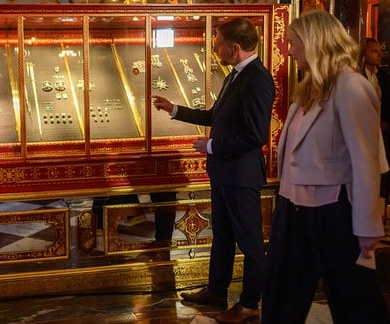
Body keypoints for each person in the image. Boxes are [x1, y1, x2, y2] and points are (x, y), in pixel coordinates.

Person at [262, 10, 390, 324]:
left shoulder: (351, 86)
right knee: (281, 295)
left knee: (354, 300)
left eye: (294, 43)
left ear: (315, 42)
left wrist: (366, 227)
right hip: (293, 207)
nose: (289, 51)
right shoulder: (309, 87)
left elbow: (365, 160)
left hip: (332, 211)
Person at [152, 17, 275, 323]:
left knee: (250, 244)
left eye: (218, 41)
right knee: (222, 236)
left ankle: (248, 306)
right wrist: (175, 109)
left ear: (234, 47)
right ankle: (217, 291)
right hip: (224, 173)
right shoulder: (236, 75)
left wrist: (211, 147)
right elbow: (215, 117)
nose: (214, 47)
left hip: (241, 176)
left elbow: (255, 135)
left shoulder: (257, 79)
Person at [361, 37, 390, 205]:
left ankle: (379, 209)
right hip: (363, 131)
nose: (379, 55)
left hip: (381, 131)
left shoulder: (383, 77)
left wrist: (385, 121)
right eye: (374, 51)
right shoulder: (357, 75)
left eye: (380, 51)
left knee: (382, 172)